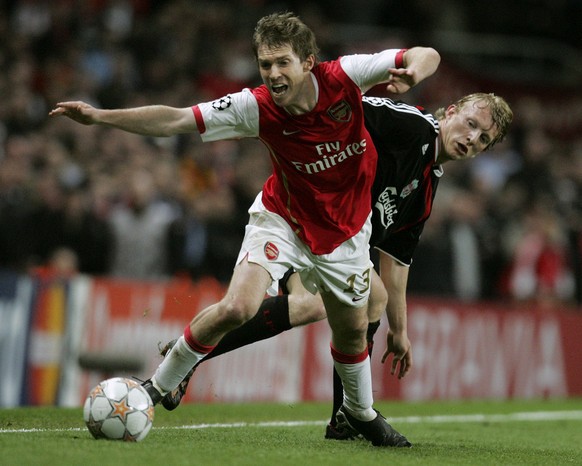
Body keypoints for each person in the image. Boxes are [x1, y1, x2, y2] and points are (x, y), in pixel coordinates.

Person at [50, 12, 441, 447]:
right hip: (283, 219)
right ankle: (155, 388)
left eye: (281, 63)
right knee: (238, 306)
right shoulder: (254, 107)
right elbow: (175, 120)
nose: (272, 74)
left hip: (346, 232)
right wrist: (100, 117)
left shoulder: (345, 77)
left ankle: (360, 413)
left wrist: (414, 72)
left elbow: (425, 53)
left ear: (308, 62)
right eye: (264, 64)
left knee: (351, 330)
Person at [155, 93, 513, 439]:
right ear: (450, 112)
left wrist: (399, 330)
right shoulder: (413, 126)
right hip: (305, 217)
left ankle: (195, 354)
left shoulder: (426, 183)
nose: (472, 138)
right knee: (350, 300)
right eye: (470, 124)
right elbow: (344, 103)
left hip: (337, 247)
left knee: (347, 301)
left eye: (484, 139)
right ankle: (344, 416)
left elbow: (397, 261)